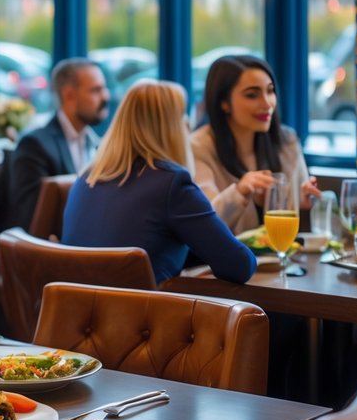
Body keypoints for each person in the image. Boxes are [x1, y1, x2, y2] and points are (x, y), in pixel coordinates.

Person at [61, 79, 256, 285]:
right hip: (137, 314)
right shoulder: (172, 183)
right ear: (173, 127)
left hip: (76, 313)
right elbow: (240, 266)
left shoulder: (86, 177)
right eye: (182, 117)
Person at [190, 55, 319, 234]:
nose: (267, 103)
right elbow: (205, 226)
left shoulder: (287, 141)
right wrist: (240, 192)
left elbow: (296, 222)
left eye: (270, 91)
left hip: (282, 257)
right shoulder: (198, 147)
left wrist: (305, 200)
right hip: (225, 261)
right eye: (252, 95)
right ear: (224, 103)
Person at [0, 58, 109, 231]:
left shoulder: (97, 144)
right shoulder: (34, 145)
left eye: (104, 89)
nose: (106, 96)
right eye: (96, 90)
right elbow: (31, 220)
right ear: (69, 95)